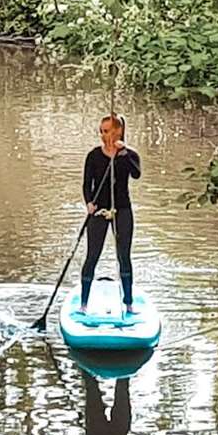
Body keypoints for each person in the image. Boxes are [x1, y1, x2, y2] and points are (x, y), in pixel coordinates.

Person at [80, 113, 141, 315]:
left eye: (107, 131)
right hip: (99, 210)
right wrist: (89, 203)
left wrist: (123, 153)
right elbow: (87, 184)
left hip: (122, 209)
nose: (103, 135)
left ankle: (129, 302)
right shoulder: (94, 155)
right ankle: (83, 304)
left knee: (124, 256)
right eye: (102, 131)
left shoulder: (129, 155)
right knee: (92, 256)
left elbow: (136, 174)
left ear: (118, 131)